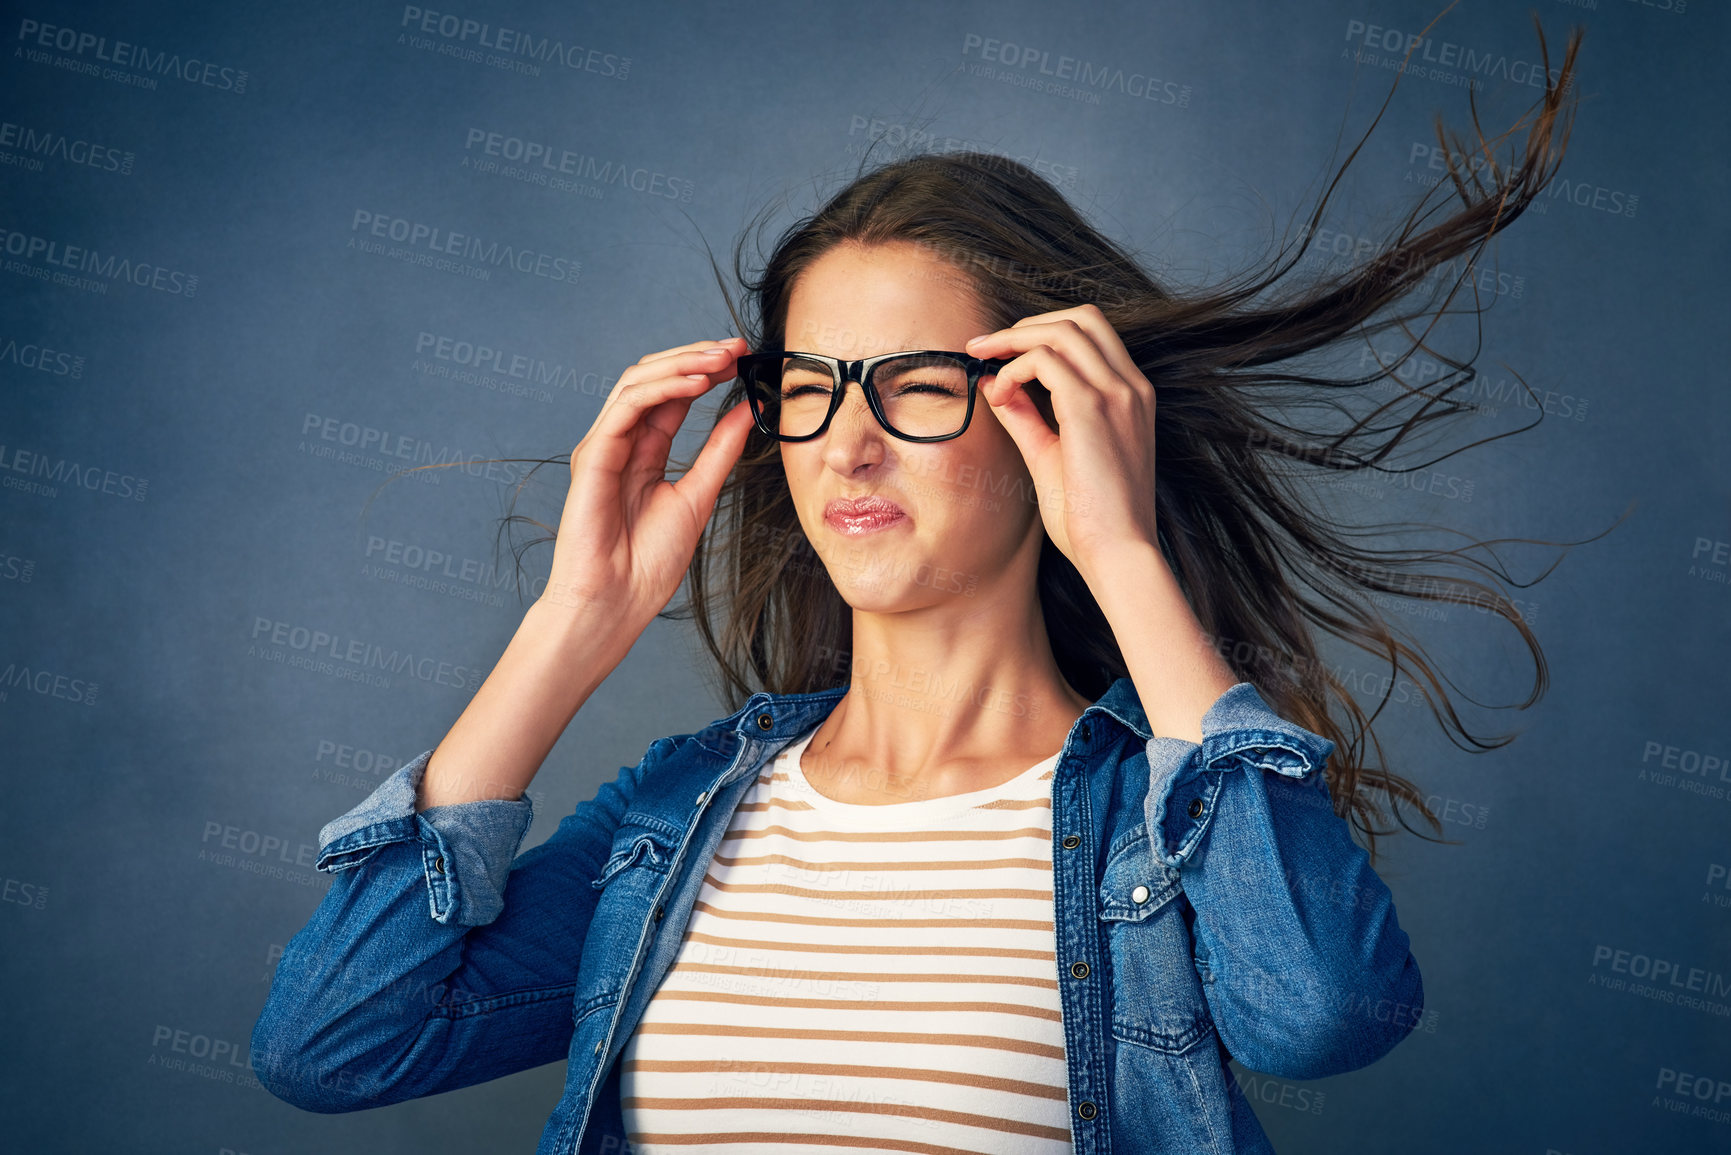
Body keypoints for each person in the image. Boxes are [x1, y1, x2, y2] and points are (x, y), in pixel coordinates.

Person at [253, 25, 1586, 1154]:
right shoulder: (677, 813)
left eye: (920, 386)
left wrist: (1123, 560)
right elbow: (332, 1041)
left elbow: (1327, 1015)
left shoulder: (1147, 825)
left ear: (1047, 413)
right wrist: (569, 628)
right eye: (812, 389)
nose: (850, 443)